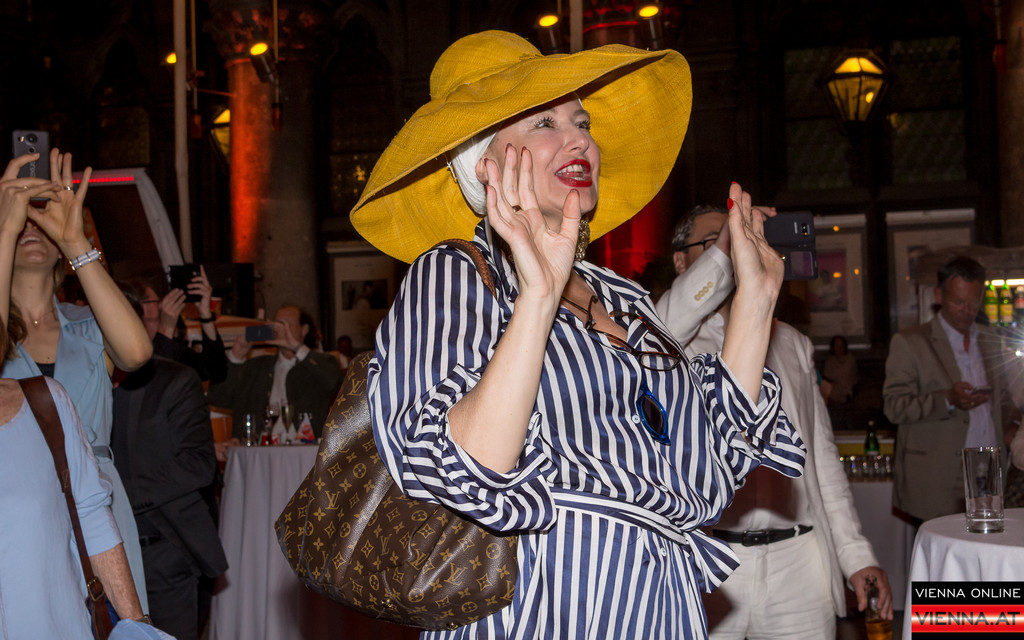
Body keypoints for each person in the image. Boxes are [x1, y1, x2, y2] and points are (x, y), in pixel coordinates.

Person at [351, 31, 806, 639]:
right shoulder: (459, 274)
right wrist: (538, 297)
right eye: (544, 122)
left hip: (663, 609)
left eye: (582, 121)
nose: (580, 139)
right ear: (485, 164)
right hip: (545, 606)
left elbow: (706, 479)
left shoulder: (625, 299)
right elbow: (464, 469)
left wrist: (756, 300)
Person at [665, 206, 891, 638]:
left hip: (798, 562)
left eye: (742, 237)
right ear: (681, 261)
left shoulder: (793, 342)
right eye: (715, 240)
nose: (736, 246)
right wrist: (727, 250)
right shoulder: (669, 340)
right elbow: (669, 318)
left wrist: (857, 555)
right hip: (709, 560)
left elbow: (822, 460)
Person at [0, 155, 148, 638]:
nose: (31, 225)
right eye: (22, 216)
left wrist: (76, 240)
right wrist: (5, 225)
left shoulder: (90, 325)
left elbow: (137, 352)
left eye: (41, 216)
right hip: (22, 508)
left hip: (99, 506)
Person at [111, 281, 228, 640]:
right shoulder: (72, 384)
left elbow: (199, 463)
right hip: (90, 555)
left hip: (161, 548)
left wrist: (115, 496)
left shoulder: (173, 379)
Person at [883, 256, 1024, 522]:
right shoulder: (910, 342)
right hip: (940, 473)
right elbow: (894, 407)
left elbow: (1005, 396)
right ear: (938, 296)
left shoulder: (991, 339)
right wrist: (948, 399)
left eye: (973, 302)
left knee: (989, 543)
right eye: (958, 302)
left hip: (989, 469)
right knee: (942, 546)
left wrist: (1010, 424)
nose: (966, 311)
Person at [206, 304, 342, 439]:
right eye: (277, 324)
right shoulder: (256, 367)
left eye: (287, 324)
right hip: (261, 447)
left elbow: (334, 383)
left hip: (305, 447)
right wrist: (235, 358)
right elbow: (218, 398)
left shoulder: (321, 363)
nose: (281, 329)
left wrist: (296, 347)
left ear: (304, 329)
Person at [145, 267, 228, 384]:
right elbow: (158, 385)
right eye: (154, 301)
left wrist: (205, 314)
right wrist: (166, 329)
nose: (160, 304)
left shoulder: (173, 345)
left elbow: (215, 373)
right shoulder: (132, 350)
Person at [823, 334, 857, 405]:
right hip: (832, 389)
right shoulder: (829, 361)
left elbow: (846, 376)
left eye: (841, 345)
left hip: (846, 390)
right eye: (837, 345)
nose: (839, 348)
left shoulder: (850, 360)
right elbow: (828, 376)